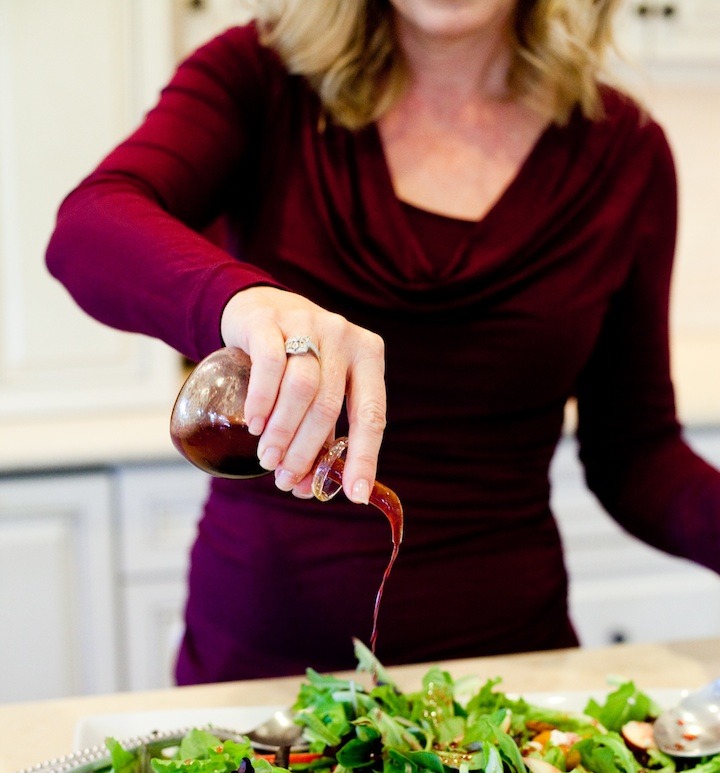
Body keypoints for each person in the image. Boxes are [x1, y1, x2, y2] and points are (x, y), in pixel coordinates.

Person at [46, 0, 720, 683]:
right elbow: (91, 226)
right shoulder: (261, 77)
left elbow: (637, 453)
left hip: (507, 679)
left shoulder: (623, 151)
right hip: (260, 680)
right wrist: (243, 301)